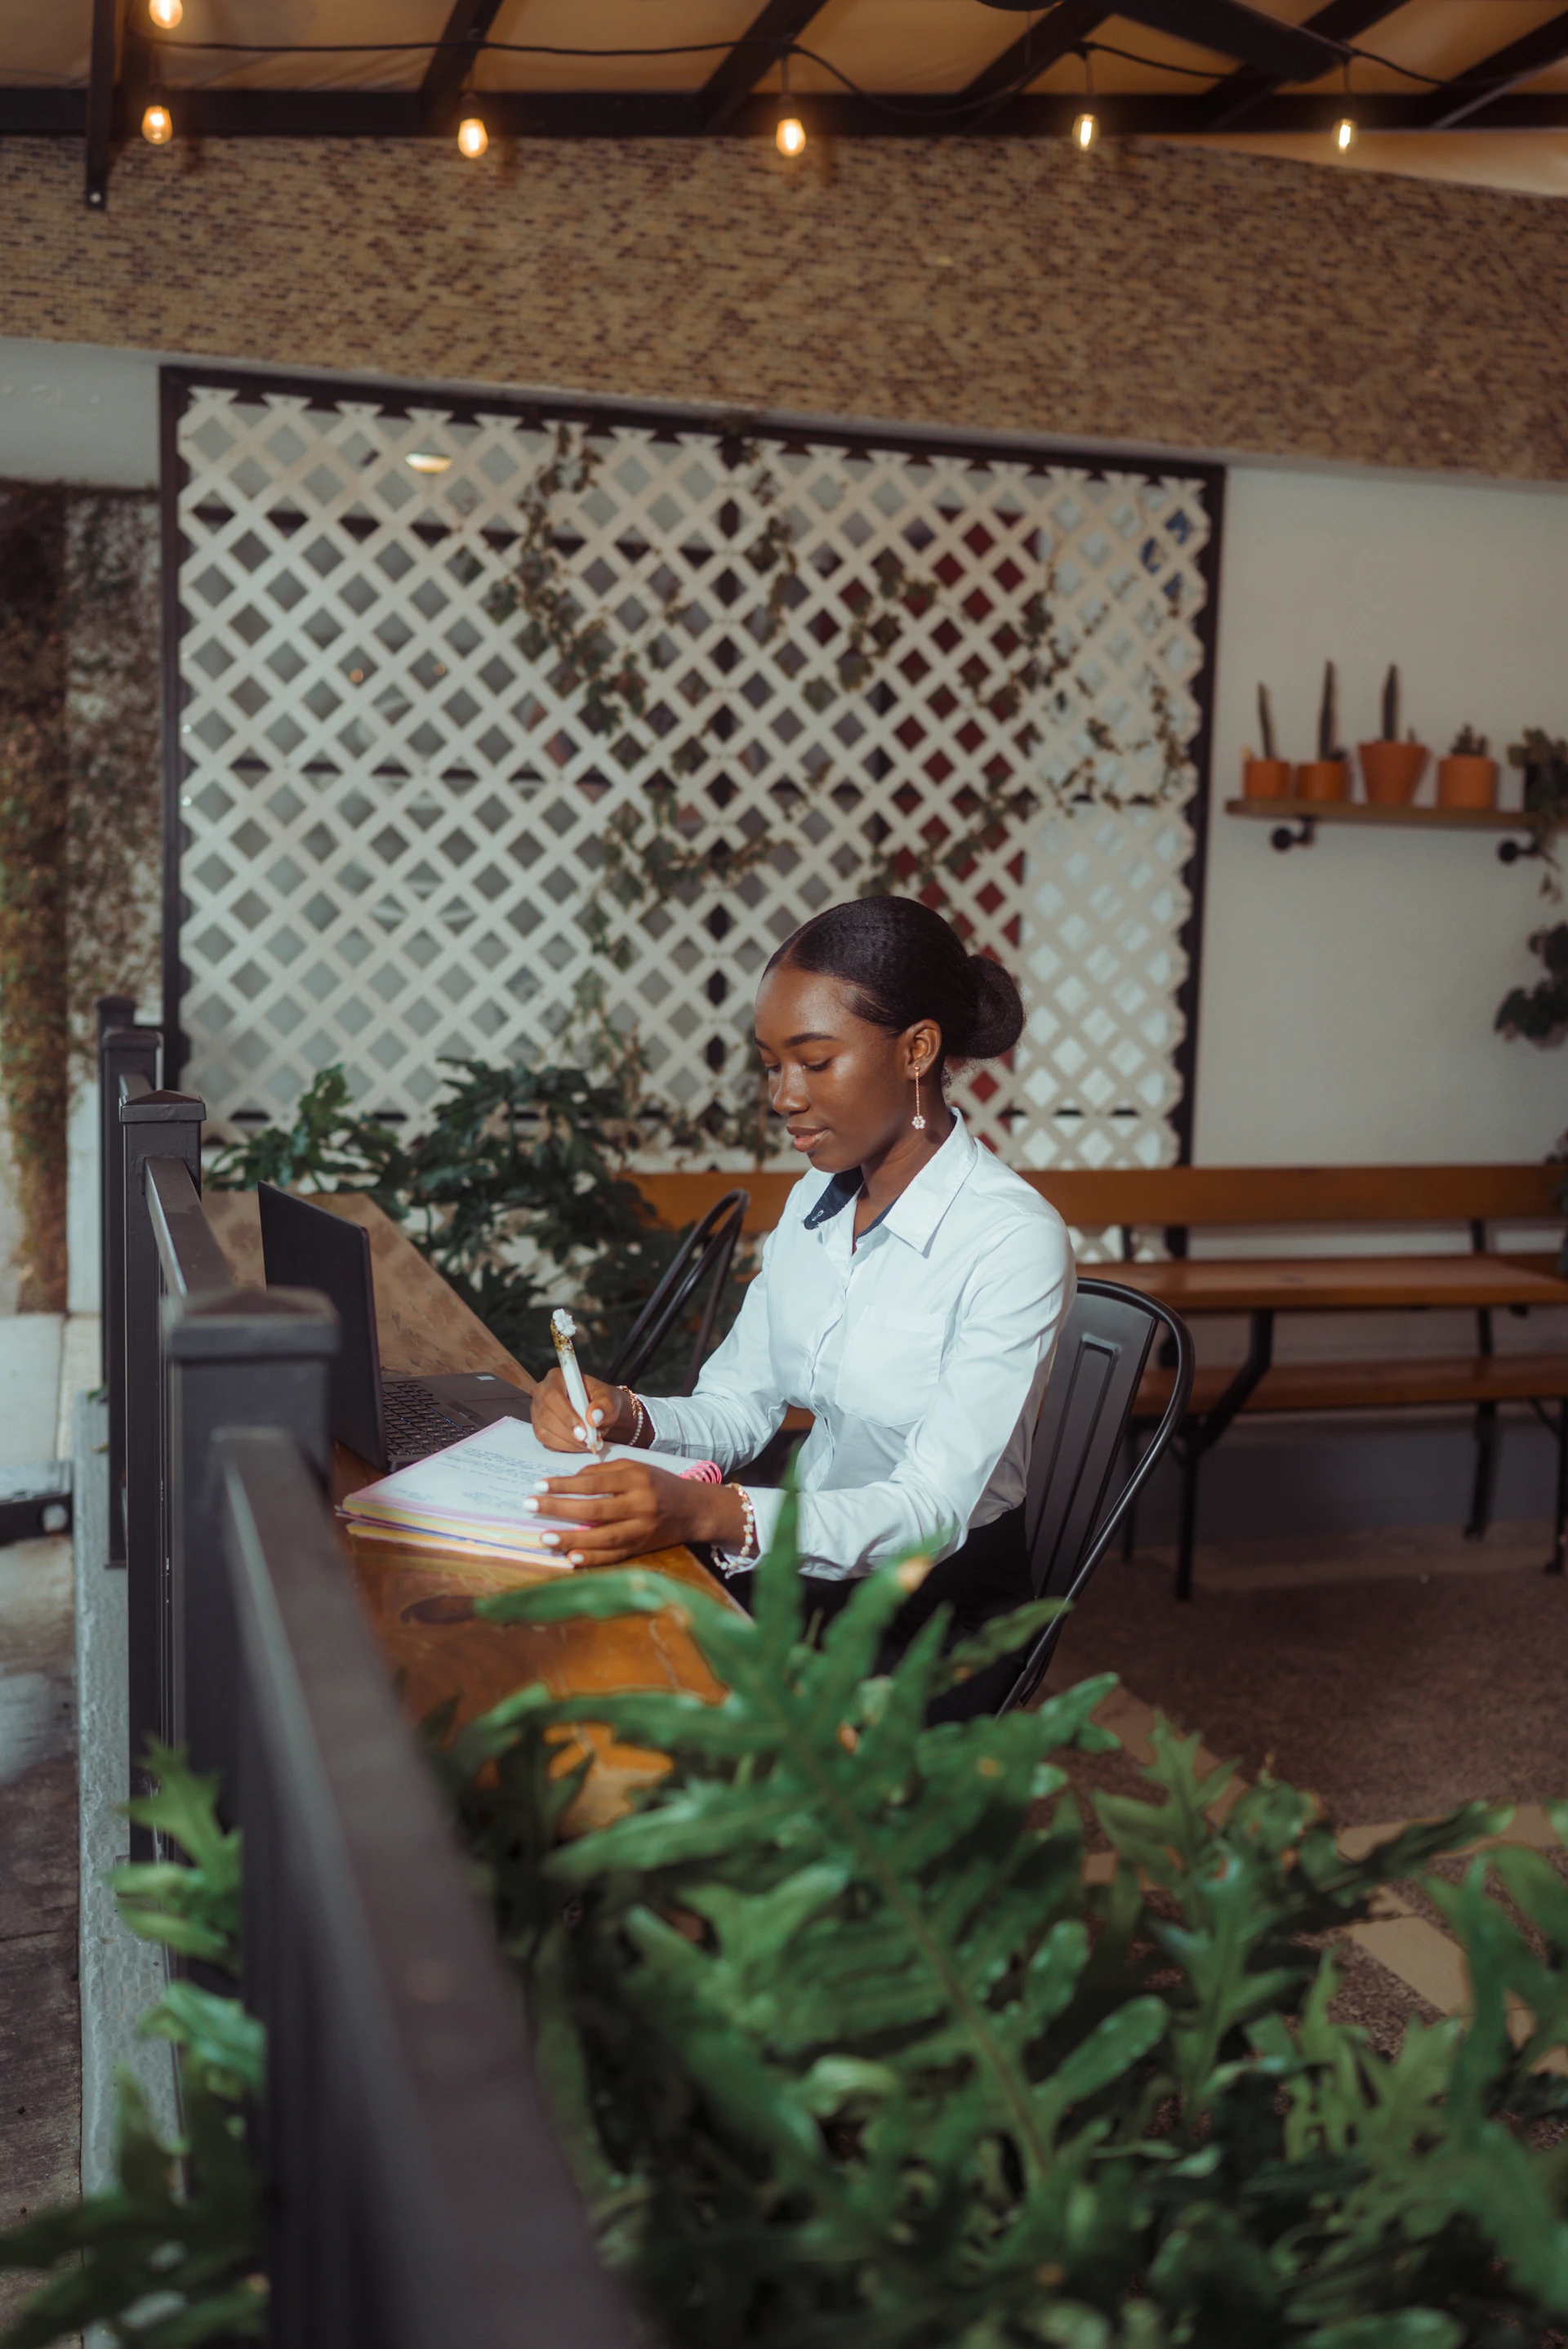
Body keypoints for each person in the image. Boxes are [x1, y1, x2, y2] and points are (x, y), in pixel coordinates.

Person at [530, 894, 1076, 1716]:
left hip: (931, 1616)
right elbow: (741, 1404)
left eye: (815, 1062)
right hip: (798, 1565)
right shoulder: (816, 1200)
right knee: (584, 1652)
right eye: (771, 1063)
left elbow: (930, 1510)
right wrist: (626, 1415)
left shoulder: (1011, 1241)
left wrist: (710, 1509)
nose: (783, 1095)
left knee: (652, 1701)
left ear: (918, 1049)